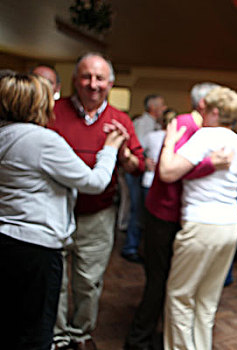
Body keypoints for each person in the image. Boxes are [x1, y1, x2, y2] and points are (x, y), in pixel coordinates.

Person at [0, 73, 126, 350]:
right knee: (35, 331)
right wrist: (111, 149)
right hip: (34, 247)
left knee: (11, 322)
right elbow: (94, 183)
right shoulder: (41, 140)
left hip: (6, 240)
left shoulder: (4, 134)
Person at [124, 83, 232, 350]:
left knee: (175, 283)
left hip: (182, 215)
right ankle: (138, 341)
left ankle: (166, 338)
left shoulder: (205, 130)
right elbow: (169, 171)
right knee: (159, 282)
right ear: (205, 104)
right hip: (164, 214)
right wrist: (211, 164)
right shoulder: (186, 124)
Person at [49, 52, 145, 350]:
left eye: (99, 78)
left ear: (110, 83)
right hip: (54, 210)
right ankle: (58, 336)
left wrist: (125, 155)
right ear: (75, 80)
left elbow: (138, 165)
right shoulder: (52, 111)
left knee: (88, 282)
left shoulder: (120, 119)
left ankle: (80, 333)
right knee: (56, 280)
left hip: (98, 213)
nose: (93, 84)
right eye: (86, 77)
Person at [159, 86, 237, 350]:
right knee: (207, 299)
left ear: (213, 111)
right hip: (231, 224)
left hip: (202, 224)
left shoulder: (205, 136)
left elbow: (167, 172)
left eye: (203, 109)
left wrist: (168, 142)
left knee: (180, 296)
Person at [121, 94, 167, 263]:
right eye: (161, 105)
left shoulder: (153, 124)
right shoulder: (143, 123)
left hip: (145, 173)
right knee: (138, 210)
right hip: (138, 173)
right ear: (153, 107)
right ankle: (130, 247)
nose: (163, 108)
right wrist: (146, 159)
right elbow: (136, 148)